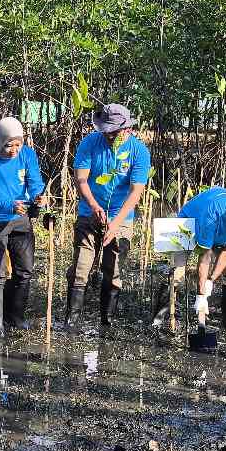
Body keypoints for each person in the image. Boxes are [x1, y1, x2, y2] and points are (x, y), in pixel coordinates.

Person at [64, 104, 151, 330]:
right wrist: (93, 206)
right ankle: (71, 321)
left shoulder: (138, 151)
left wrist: (116, 223)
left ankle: (106, 322)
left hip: (121, 216)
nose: (109, 135)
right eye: (106, 131)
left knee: (113, 271)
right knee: (81, 267)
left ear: (127, 129)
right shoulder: (90, 142)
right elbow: (81, 179)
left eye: (114, 131)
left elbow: (136, 192)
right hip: (89, 211)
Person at [151, 187, 226, 342]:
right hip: (190, 222)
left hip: (221, 232)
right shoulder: (212, 216)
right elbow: (205, 258)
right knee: (176, 273)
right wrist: (201, 295)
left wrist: (211, 279)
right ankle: (158, 320)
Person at [0, 117, 45, 337]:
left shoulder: (28, 154)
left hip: (20, 216)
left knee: (25, 270)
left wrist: (39, 196)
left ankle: (16, 316)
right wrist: (8, 205)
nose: (13, 150)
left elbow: (35, 182)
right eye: (8, 145)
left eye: (17, 144)